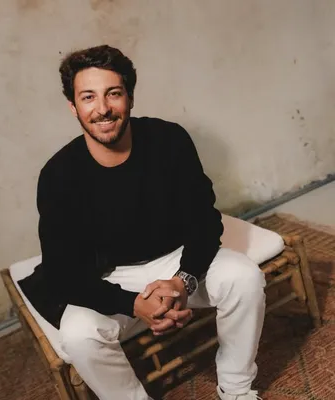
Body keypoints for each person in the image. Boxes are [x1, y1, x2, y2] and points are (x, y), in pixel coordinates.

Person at [19, 45, 266, 400]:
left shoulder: (169, 140)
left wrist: (182, 281)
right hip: (108, 277)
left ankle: (237, 389)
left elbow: (205, 220)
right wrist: (134, 303)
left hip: (175, 261)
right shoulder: (58, 175)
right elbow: (63, 273)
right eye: (88, 97)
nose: (102, 108)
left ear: (130, 98)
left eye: (113, 93)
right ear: (73, 106)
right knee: (78, 335)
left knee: (244, 277)